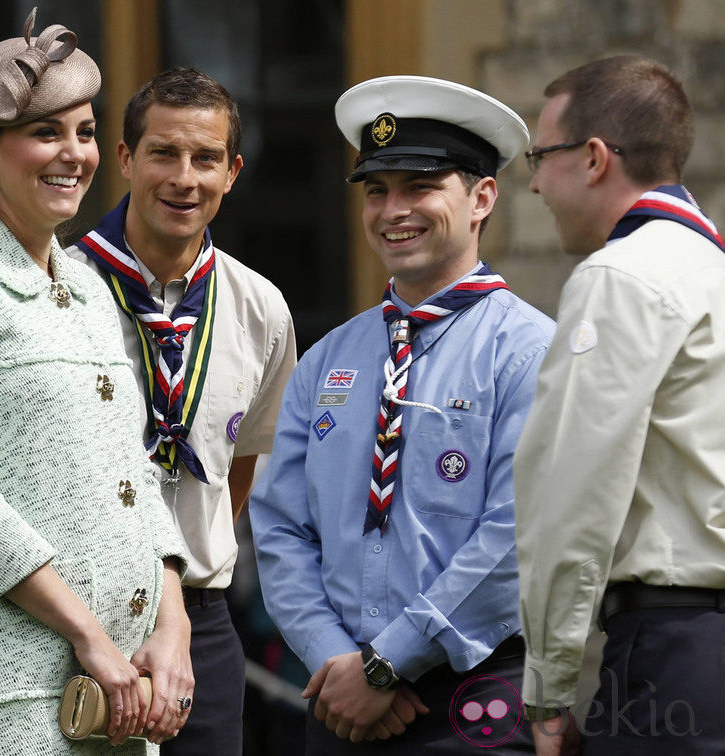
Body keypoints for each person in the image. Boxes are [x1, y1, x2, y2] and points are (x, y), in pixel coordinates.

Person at [0, 9, 190, 754]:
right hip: (17, 697)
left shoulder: (88, 283)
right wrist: (88, 636)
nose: (74, 154)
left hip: (126, 687)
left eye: (85, 132)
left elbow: (138, 473)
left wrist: (172, 624)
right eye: (46, 133)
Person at [251, 75, 556, 753]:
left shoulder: (530, 351)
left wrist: (391, 660)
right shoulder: (331, 357)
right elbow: (279, 527)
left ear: (481, 198)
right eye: (377, 190)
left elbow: (519, 532)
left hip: (469, 695)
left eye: (419, 186)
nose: (394, 210)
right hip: (337, 700)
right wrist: (335, 659)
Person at [68, 67, 296, 755]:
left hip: (202, 619)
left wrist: (184, 584)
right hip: (78, 616)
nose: (184, 178)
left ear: (232, 172)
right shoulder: (60, 290)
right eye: (164, 153)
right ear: (125, 159)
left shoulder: (261, 308)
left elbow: (243, 465)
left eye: (205, 159)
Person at [514, 55, 725, 756]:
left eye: (541, 156)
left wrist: (547, 690)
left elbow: (572, 495)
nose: (537, 182)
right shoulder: (712, 272)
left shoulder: (620, 275)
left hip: (675, 656)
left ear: (595, 158)